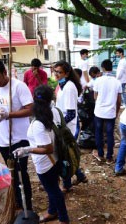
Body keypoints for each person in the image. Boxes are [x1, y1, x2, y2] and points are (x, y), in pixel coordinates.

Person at [13, 85, 69, 224]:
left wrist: (27, 149)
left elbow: (47, 148)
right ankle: (52, 211)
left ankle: (63, 218)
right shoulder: (52, 112)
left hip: (45, 163)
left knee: (53, 190)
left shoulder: (38, 123)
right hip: (54, 159)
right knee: (52, 188)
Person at [0, 60, 34, 211]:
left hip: (19, 138)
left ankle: (28, 205)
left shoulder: (18, 86)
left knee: (21, 172)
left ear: (5, 73)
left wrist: (9, 115)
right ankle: (17, 201)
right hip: (2, 139)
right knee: (11, 171)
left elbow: (30, 109)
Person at [53, 60, 88, 192]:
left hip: (68, 128)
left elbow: (71, 114)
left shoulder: (69, 87)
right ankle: (80, 175)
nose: (56, 74)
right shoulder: (62, 85)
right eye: (55, 71)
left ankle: (67, 184)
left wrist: (58, 126)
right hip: (63, 125)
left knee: (64, 156)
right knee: (66, 154)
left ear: (67, 73)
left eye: (59, 72)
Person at [93, 59, 122, 164]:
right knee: (110, 134)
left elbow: (95, 96)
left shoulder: (98, 80)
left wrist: (101, 103)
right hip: (111, 112)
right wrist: (117, 111)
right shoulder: (117, 82)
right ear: (111, 68)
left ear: (103, 68)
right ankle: (109, 157)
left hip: (99, 111)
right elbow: (119, 100)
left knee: (99, 133)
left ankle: (100, 155)